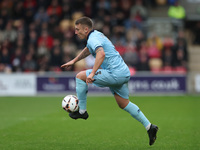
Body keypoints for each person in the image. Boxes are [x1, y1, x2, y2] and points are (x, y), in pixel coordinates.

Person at [61, 16, 158, 146]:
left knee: (80, 76)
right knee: (123, 103)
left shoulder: (93, 38)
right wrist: (74, 61)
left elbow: (101, 54)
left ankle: (82, 112)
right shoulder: (96, 35)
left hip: (115, 73)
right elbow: (89, 49)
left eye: (77, 29)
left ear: (85, 29)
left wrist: (93, 73)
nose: (75, 32)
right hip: (124, 72)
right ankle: (149, 127)